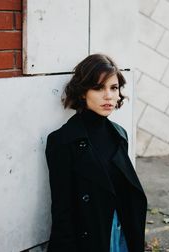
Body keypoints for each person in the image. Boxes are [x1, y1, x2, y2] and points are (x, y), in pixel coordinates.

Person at [45, 54, 147, 252]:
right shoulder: (62, 140)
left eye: (113, 88)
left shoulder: (119, 134)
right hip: (89, 238)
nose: (108, 96)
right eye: (99, 88)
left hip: (122, 232)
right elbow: (62, 209)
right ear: (83, 92)